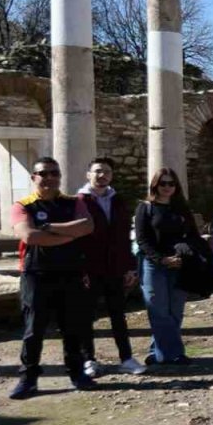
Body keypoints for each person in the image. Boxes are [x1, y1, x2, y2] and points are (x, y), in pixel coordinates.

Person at [7, 157, 96, 399]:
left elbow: (87, 226)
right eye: (43, 173)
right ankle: (28, 378)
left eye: (54, 173)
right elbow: (29, 236)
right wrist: (68, 234)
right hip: (37, 274)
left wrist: (48, 228)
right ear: (34, 177)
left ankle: (77, 373)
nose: (49, 178)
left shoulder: (73, 202)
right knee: (33, 330)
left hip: (70, 273)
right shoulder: (23, 205)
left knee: (73, 328)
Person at [76, 157, 144, 377]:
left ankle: (126, 358)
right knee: (86, 315)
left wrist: (130, 267)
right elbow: (77, 239)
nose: (101, 175)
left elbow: (124, 237)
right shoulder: (79, 201)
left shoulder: (119, 200)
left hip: (115, 267)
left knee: (118, 315)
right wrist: (80, 269)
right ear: (88, 175)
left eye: (106, 171)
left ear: (111, 175)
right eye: (97, 171)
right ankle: (88, 360)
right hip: (90, 268)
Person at [135, 167, 200, 366]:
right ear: (155, 184)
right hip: (154, 265)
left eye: (171, 183)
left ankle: (158, 351)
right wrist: (161, 259)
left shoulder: (182, 208)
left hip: (179, 264)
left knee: (175, 311)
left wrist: (182, 255)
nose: (167, 187)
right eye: (163, 183)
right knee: (158, 310)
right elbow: (142, 240)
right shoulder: (145, 208)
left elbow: (193, 236)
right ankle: (174, 354)